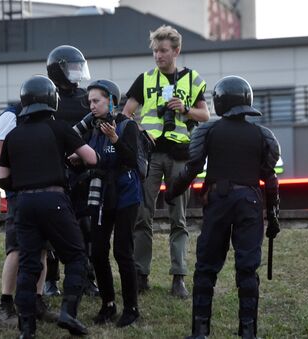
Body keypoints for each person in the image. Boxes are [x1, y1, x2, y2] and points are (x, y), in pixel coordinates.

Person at [164, 75, 281, 339]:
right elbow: (270, 178)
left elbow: (192, 168)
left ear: (220, 101)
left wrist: (172, 192)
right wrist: (273, 215)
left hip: (219, 200)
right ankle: (248, 333)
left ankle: (200, 332)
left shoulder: (208, 130)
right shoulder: (263, 135)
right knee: (247, 269)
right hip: (250, 202)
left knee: (206, 266)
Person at [0, 75, 98, 338]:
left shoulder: (14, 135)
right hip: (54, 200)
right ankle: (68, 312)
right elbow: (91, 158)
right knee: (76, 256)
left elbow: (2, 177)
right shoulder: (59, 128)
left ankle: (27, 329)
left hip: (24, 204)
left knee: (29, 264)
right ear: (51, 100)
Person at [122, 25, 210, 297]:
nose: (158, 56)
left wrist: (184, 109)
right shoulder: (145, 79)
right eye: (155, 51)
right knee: (142, 216)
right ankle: (141, 274)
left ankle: (178, 278)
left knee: (179, 219)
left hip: (179, 156)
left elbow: (205, 115)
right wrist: (139, 136)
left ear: (176, 51)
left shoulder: (191, 79)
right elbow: (126, 114)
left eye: (163, 51)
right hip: (149, 156)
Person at [70, 80, 142, 327]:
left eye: (96, 100)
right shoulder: (92, 127)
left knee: (123, 251)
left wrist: (114, 139)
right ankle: (108, 303)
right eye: (89, 101)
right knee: (98, 251)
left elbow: (132, 159)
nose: (92, 105)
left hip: (126, 194)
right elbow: (93, 158)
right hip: (101, 195)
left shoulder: (126, 125)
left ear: (111, 100)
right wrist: (76, 158)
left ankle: (131, 308)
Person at [0, 104, 57, 327]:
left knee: (42, 249)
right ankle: (5, 304)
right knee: (17, 249)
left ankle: (37, 301)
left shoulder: (44, 118)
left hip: (41, 191)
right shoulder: (11, 116)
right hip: (18, 192)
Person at [44, 44, 100, 298]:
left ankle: (87, 279)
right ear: (58, 70)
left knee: (86, 228)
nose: (78, 72)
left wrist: (83, 155)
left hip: (84, 173)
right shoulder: (47, 98)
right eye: (73, 67)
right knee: (52, 228)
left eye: (80, 66)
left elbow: (96, 132)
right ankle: (51, 280)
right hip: (55, 173)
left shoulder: (87, 98)